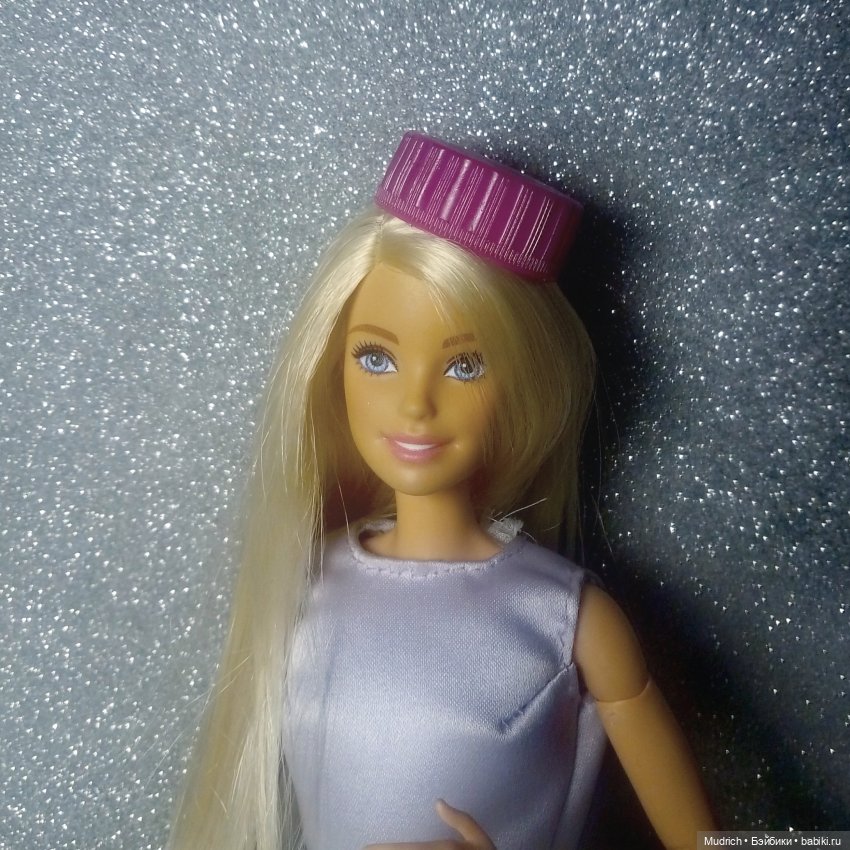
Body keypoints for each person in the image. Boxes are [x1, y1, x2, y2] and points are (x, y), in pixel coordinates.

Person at [169, 132, 715, 850]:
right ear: (332, 365)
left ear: (523, 381)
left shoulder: (564, 618)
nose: (415, 404)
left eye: (465, 367)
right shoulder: (297, 587)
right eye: (376, 358)